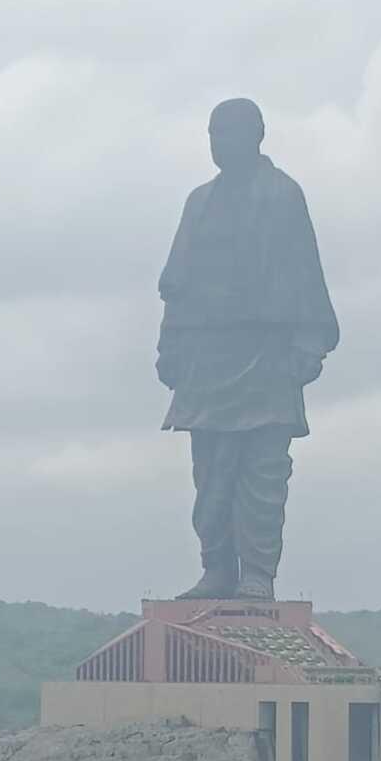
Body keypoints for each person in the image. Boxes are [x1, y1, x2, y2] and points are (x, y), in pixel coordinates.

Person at [157, 98, 339, 600]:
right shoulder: (199, 201)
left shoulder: (283, 195)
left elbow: (305, 271)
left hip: (266, 351)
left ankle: (258, 572)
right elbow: (176, 282)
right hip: (206, 354)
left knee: (262, 470)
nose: (219, 143)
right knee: (210, 473)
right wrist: (168, 342)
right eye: (213, 134)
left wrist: (308, 342)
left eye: (229, 133)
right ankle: (217, 567)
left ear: (257, 135)